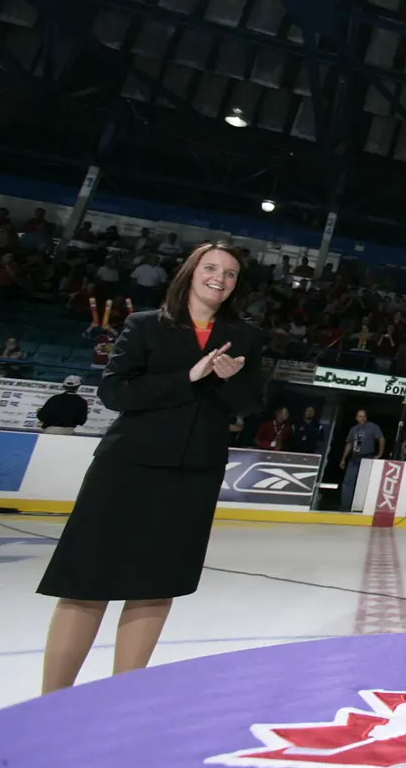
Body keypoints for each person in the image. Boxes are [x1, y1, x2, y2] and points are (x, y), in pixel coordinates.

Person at [36, 242, 260, 693]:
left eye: (231, 273)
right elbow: (115, 393)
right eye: (211, 268)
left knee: (156, 585)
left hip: (193, 474)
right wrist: (189, 378)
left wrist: (230, 381)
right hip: (126, 469)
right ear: (190, 273)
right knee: (86, 582)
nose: (220, 278)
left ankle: (125, 700)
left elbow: (250, 405)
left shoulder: (245, 336)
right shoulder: (143, 326)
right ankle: (50, 703)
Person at [339, 409, 385, 511]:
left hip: (367, 457)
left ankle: (362, 506)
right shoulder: (353, 429)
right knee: (348, 482)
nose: (362, 418)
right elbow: (349, 444)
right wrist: (343, 459)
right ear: (356, 418)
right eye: (360, 416)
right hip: (354, 458)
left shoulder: (373, 427)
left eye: (364, 416)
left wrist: (380, 454)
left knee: (364, 482)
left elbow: (381, 438)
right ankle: (345, 506)